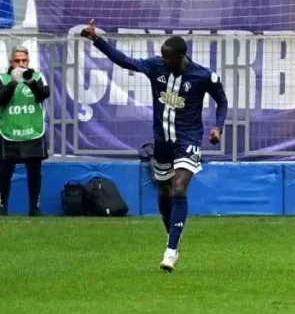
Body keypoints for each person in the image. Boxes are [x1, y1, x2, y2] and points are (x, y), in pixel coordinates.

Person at [81, 21, 227, 272]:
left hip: (188, 138)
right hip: (162, 140)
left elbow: (222, 101)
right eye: (161, 55)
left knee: (179, 188)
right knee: (165, 191)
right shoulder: (155, 67)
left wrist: (218, 127)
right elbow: (125, 61)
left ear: (181, 57)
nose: (162, 59)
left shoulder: (203, 76)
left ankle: (171, 251)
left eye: (167, 57)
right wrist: (97, 40)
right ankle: (172, 235)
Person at [0, 46, 51, 216]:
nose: (21, 64)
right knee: (4, 172)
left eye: (24, 60)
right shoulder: (3, 78)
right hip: (9, 132)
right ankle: (2, 208)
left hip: (32, 132)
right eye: (17, 61)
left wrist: (31, 83)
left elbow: (44, 94)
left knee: (34, 172)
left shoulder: (37, 77)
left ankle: (34, 208)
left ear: (28, 61)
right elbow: (1, 99)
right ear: (11, 62)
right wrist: (14, 82)